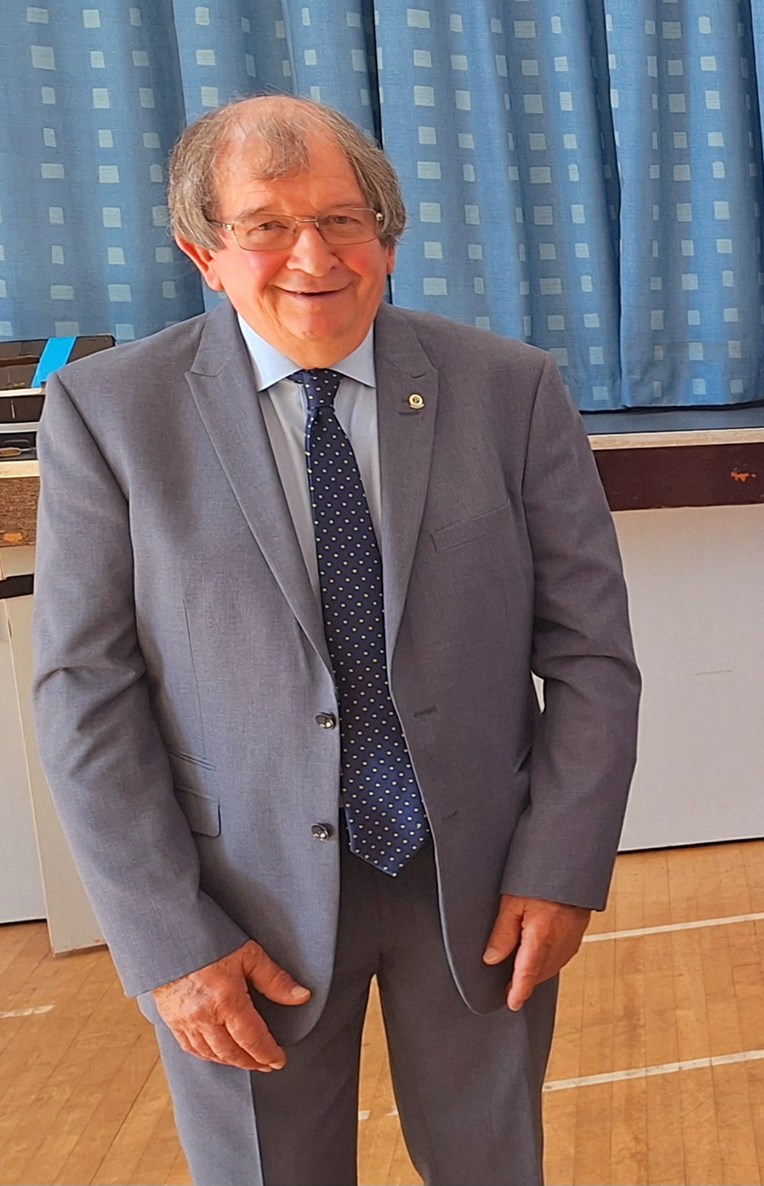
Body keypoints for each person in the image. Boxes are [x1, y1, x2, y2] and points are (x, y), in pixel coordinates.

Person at [33, 95, 642, 1185]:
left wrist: (564, 866)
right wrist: (171, 941)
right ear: (203, 253)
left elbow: (591, 654)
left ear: (389, 239)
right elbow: (85, 695)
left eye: (344, 220)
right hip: (237, 910)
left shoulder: (511, 390)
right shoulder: (109, 413)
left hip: (478, 893)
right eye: (265, 224)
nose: (312, 255)